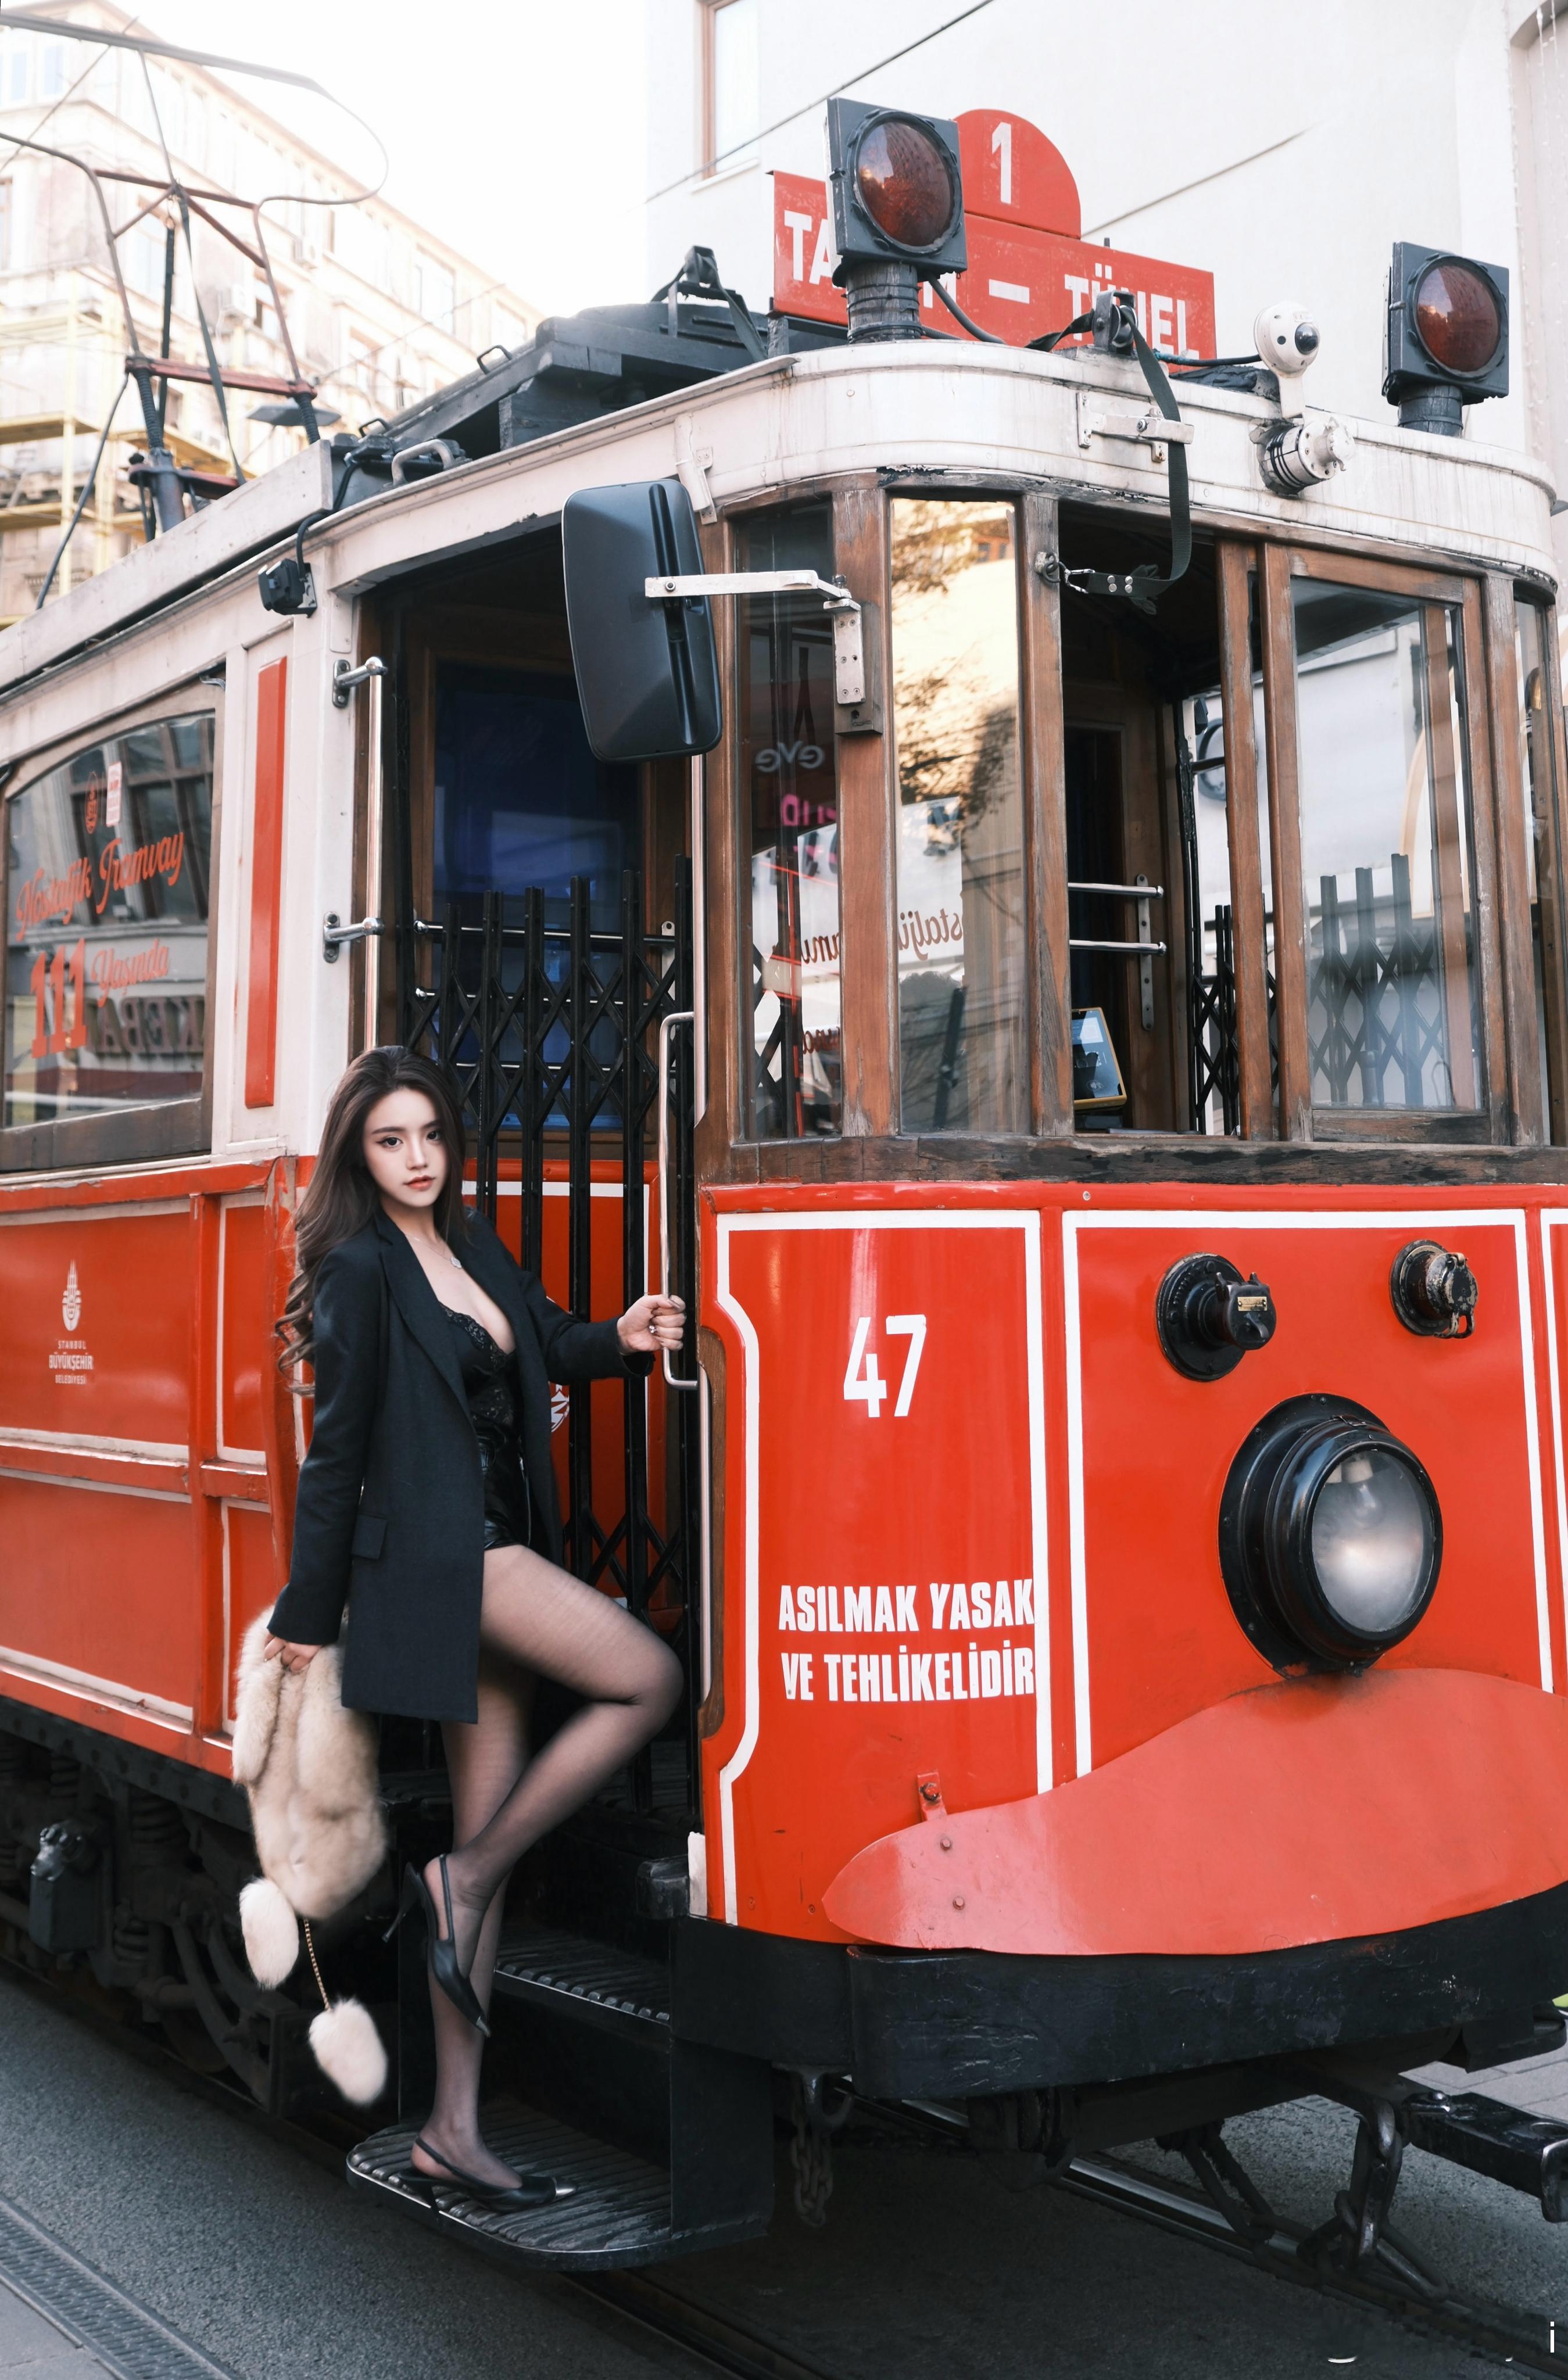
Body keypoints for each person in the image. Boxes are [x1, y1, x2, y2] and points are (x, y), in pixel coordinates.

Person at [265, 1046, 684, 2209]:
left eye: (429, 1136)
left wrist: (622, 1335)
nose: (416, 1158)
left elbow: (547, 1340)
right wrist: (308, 1610)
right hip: (446, 1561)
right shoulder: (358, 1269)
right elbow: (335, 1452)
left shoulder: (474, 1241)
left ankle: (451, 2126)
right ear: (359, 1152)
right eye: (390, 1140)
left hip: (500, 1549)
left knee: (482, 1838)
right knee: (648, 1678)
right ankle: (467, 1875)